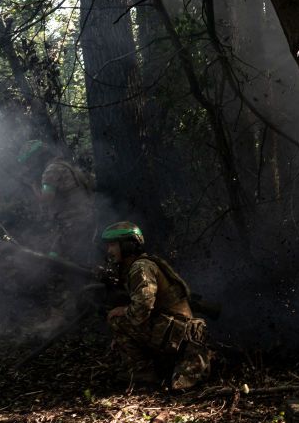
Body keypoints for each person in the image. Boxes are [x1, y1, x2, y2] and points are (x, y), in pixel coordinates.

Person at [101, 221, 211, 390]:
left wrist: (121, 311)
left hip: (176, 335)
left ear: (128, 245)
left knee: (117, 320)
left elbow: (142, 308)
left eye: (113, 245)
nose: (109, 250)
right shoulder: (143, 264)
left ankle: (142, 373)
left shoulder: (140, 267)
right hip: (179, 333)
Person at [18, 139, 97, 265]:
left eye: (30, 162)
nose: (29, 166)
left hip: (73, 224)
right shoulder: (65, 165)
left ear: (37, 158)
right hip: (86, 219)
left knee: (56, 262)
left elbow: (45, 200)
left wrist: (33, 185)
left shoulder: (51, 171)